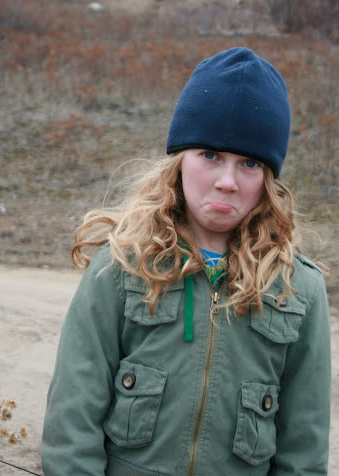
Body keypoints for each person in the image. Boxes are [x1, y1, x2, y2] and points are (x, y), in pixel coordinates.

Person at [41, 47, 331, 475]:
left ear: (269, 179)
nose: (227, 181)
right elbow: (72, 424)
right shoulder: (120, 267)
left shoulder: (297, 290)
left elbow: (303, 451)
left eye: (249, 163)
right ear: (179, 161)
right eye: (210, 155)